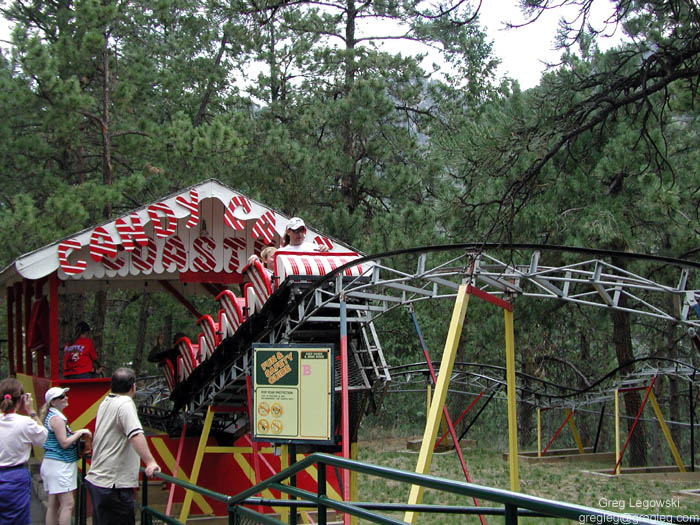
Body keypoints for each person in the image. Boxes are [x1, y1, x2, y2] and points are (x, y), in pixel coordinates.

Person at [85, 368, 160, 525]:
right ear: (133, 387)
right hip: (114, 485)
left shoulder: (106, 402)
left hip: (98, 481)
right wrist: (151, 461)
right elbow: (135, 434)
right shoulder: (125, 404)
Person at [39, 387, 92, 525]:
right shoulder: (57, 419)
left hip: (52, 463)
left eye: (65, 395)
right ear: (53, 402)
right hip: (60, 464)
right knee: (68, 504)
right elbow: (64, 442)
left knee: (53, 504)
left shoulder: (51, 416)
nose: (66, 398)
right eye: (62, 396)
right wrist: (80, 433)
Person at [0, 378, 48, 524]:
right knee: (18, 519)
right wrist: (31, 411)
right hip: (16, 477)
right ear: (20, 400)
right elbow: (45, 437)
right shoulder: (25, 423)